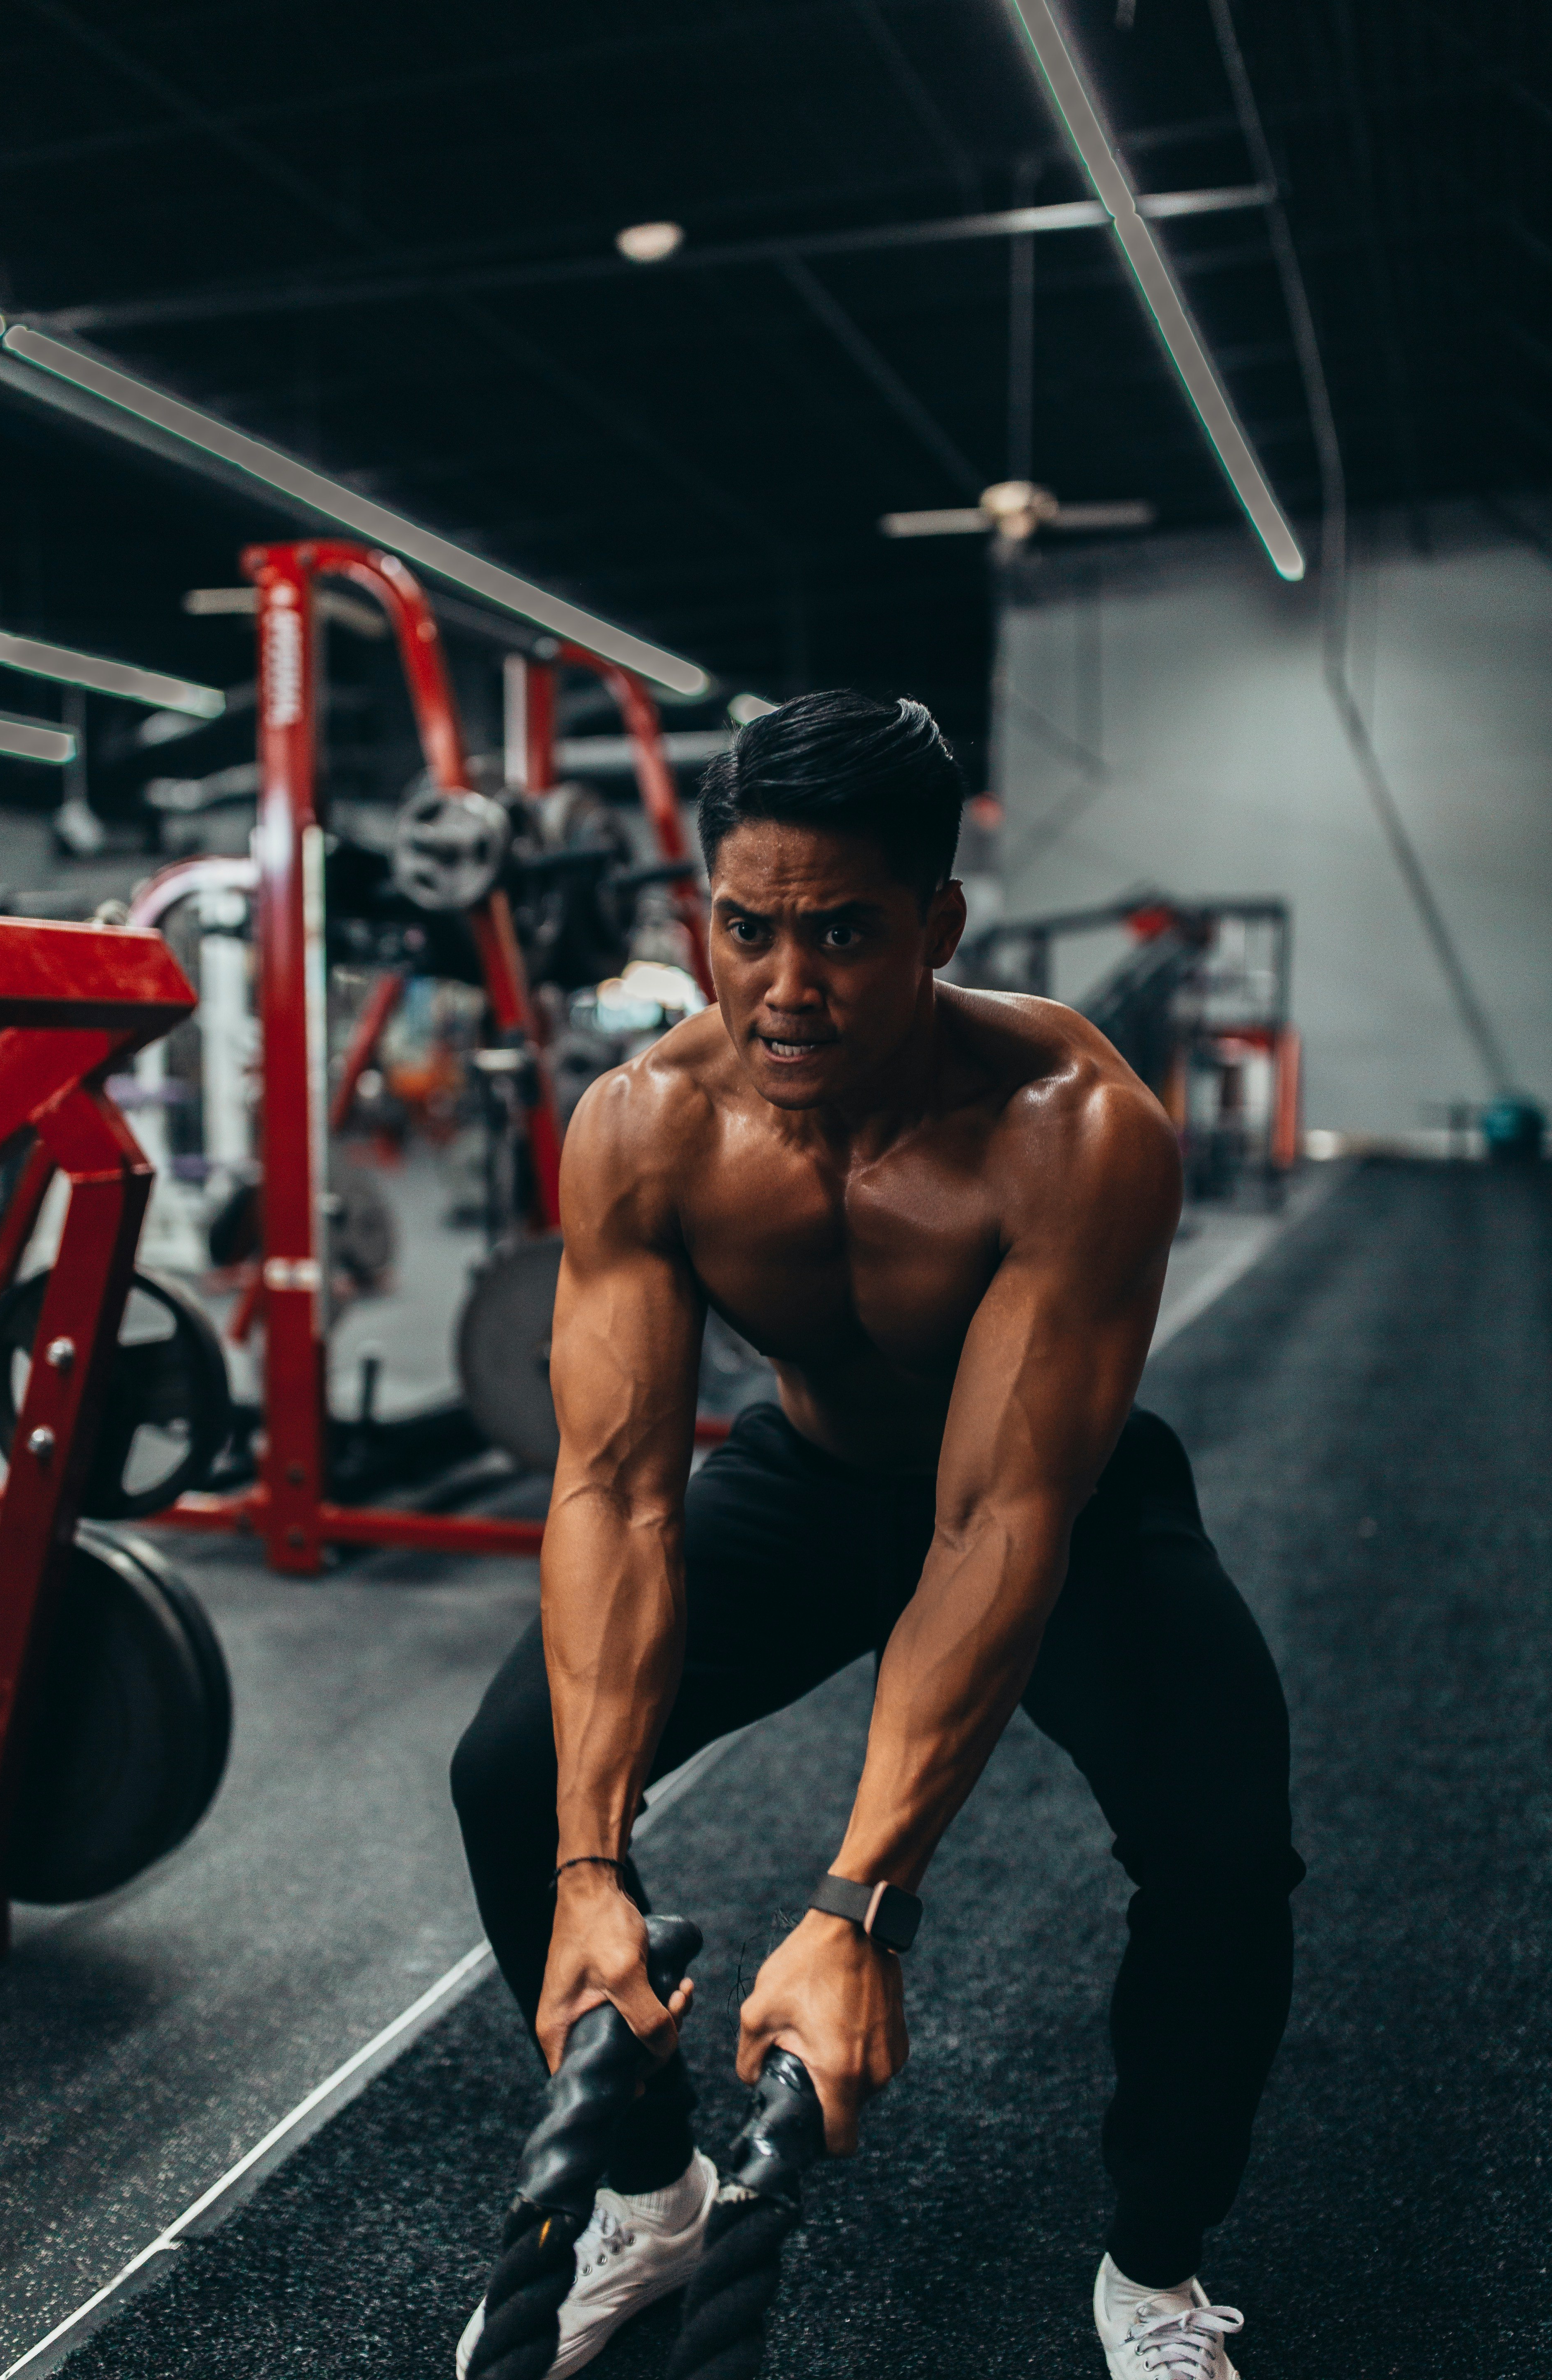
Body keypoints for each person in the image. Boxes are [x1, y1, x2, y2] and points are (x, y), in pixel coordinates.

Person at [452, 690, 1302, 2380]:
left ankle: (1153, 2270)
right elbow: (612, 1489)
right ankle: (656, 2190)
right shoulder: (647, 1126)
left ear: (939, 924)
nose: (784, 986)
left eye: (840, 932)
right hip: (815, 1473)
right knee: (515, 1771)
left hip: (1061, 1494)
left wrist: (859, 1906)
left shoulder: (1075, 1128)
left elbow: (999, 1517)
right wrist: (589, 1863)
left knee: (1225, 1854)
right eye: (746, 929)